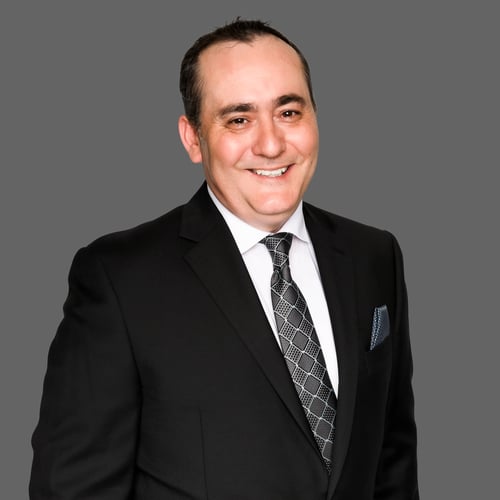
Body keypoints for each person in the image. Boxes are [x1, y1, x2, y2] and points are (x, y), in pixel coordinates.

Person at [30, 19, 419, 500]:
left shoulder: (374, 256)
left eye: (289, 112)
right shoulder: (119, 279)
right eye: (238, 120)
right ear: (193, 139)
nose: (271, 144)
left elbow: (393, 461)